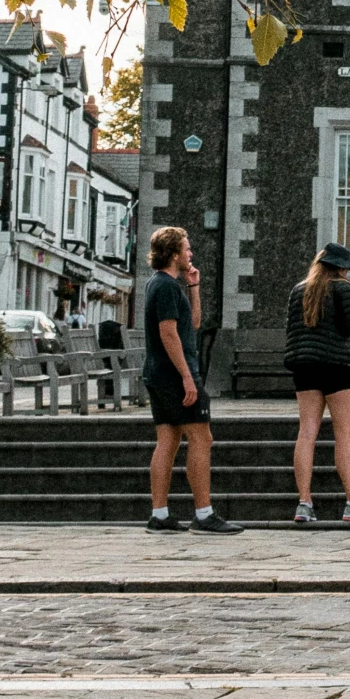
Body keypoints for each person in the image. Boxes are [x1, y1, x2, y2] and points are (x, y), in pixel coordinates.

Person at [143, 227, 242, 534]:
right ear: (173, 254)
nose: (191, 253)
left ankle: (159, 515)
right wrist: (187, 377)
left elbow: (193, 325)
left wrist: (194, 287)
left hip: (159, 374)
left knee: (169, 440)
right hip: (175, 375)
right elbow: (168, 333)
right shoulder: (166, 287)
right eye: (186, 249)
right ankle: (203, 514)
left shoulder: (164, 285)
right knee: (202, 438)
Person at [286, 244, 350, 526]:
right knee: (345, 434)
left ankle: (304, 503)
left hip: (304, 366)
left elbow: (293, 330)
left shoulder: (299, 290)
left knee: (307, 431)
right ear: (340, 267)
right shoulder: (343, 288)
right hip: (335, 366)